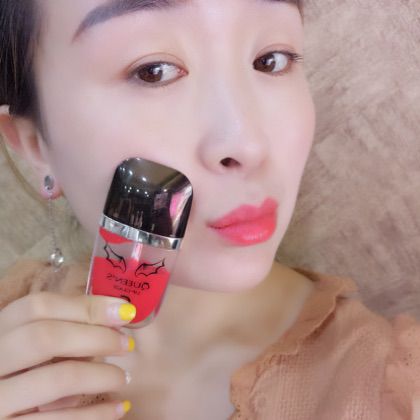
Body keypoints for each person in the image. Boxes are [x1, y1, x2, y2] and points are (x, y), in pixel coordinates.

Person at [1, 1, 420, 419]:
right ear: (35, 145)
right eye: (153, 71)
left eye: (271, 60)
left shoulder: (391, 392)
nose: (247, 144)